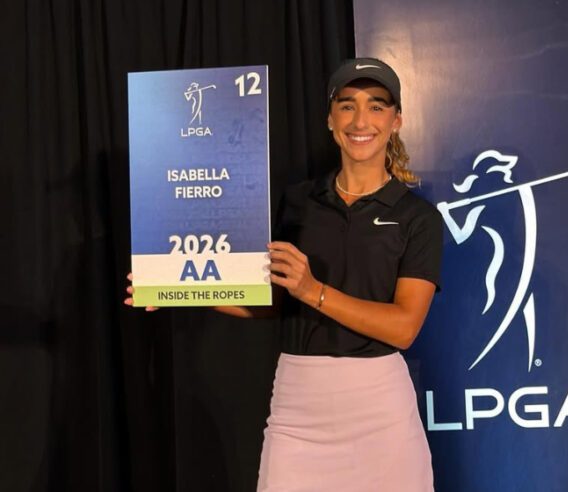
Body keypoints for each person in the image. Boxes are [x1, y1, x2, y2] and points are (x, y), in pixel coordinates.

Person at [127, 57, 442, 491]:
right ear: (330, 119)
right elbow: (271, 302)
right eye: (347, 105)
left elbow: (404, 327)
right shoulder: (298, 201)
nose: (360, 120)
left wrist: (314, 291)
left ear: (396, 120)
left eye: (376, 106)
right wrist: (179, 288)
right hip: (299, 406)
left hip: (380, 409)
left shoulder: (417, 218)